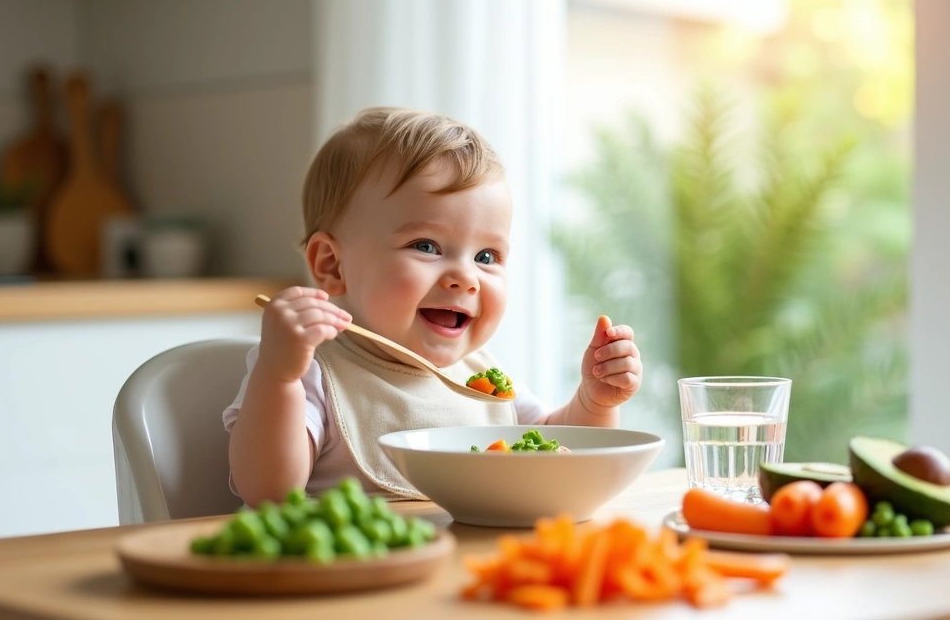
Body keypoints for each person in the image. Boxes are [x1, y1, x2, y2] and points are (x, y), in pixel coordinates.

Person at [224, 107, 642, 505]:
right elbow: (267, 491)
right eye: (426, 246)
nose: (466, 277)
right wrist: (279, 375)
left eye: (486, 256)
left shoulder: (481, 378)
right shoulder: (307, 370)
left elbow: (557, 454)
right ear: (332, 265)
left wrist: (594, 404)